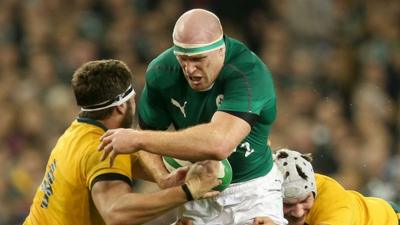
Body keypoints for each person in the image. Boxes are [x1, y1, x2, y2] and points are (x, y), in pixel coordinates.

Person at [98, 9, 286, 225]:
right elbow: (149, 135)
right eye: (183, 59)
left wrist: (138, 139)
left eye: (198, 59)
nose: (189, 68)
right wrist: (162, 177)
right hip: (198, 190)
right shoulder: (161, 72)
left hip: (253, 193)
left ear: (220, 50)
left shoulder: (248, 72)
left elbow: (219, 144)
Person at [23, 59, 222, 225]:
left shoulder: (76, 133)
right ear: (121, 107)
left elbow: (143, 158)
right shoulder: (104, 148)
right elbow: (116, 213)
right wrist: (188, 190)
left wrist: (165, 177)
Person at [273, 148, 400, 225]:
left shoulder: (332, 200)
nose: (298, 212)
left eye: (304, 201)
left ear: (313, 190)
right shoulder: (264, 194)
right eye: (289, 205)